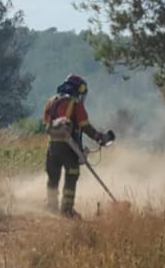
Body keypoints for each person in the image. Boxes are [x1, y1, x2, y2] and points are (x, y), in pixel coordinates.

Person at [43, 74, 115, 217]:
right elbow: (85, 127)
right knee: (71, 176)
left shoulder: (51, 101)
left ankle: (51, 207)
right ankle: (67, 210)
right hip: (69, 148)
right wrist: (100, 138)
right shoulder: (75, 104)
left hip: (52, 147)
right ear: (78, 89)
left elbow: (46, 123)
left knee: (53, 177)